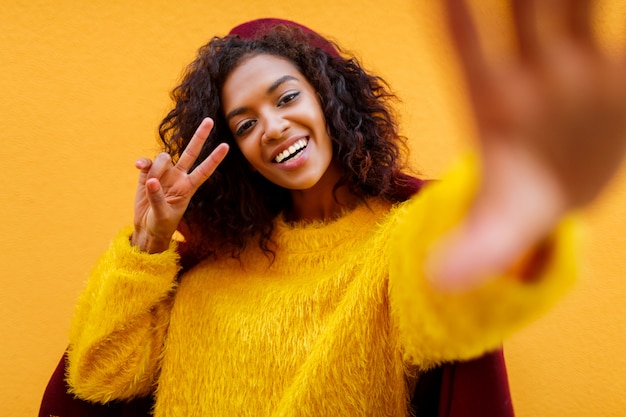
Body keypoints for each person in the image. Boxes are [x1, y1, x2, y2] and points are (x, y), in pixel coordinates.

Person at [64, 2, 626, 416]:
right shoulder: (203, 274)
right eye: (246, 123)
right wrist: (149, 245)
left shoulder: (397, 244)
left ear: (328, 99)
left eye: (286, 98)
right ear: (234, 152)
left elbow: (471, 295)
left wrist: (528, 197)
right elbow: (99, 377)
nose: (274, 127)